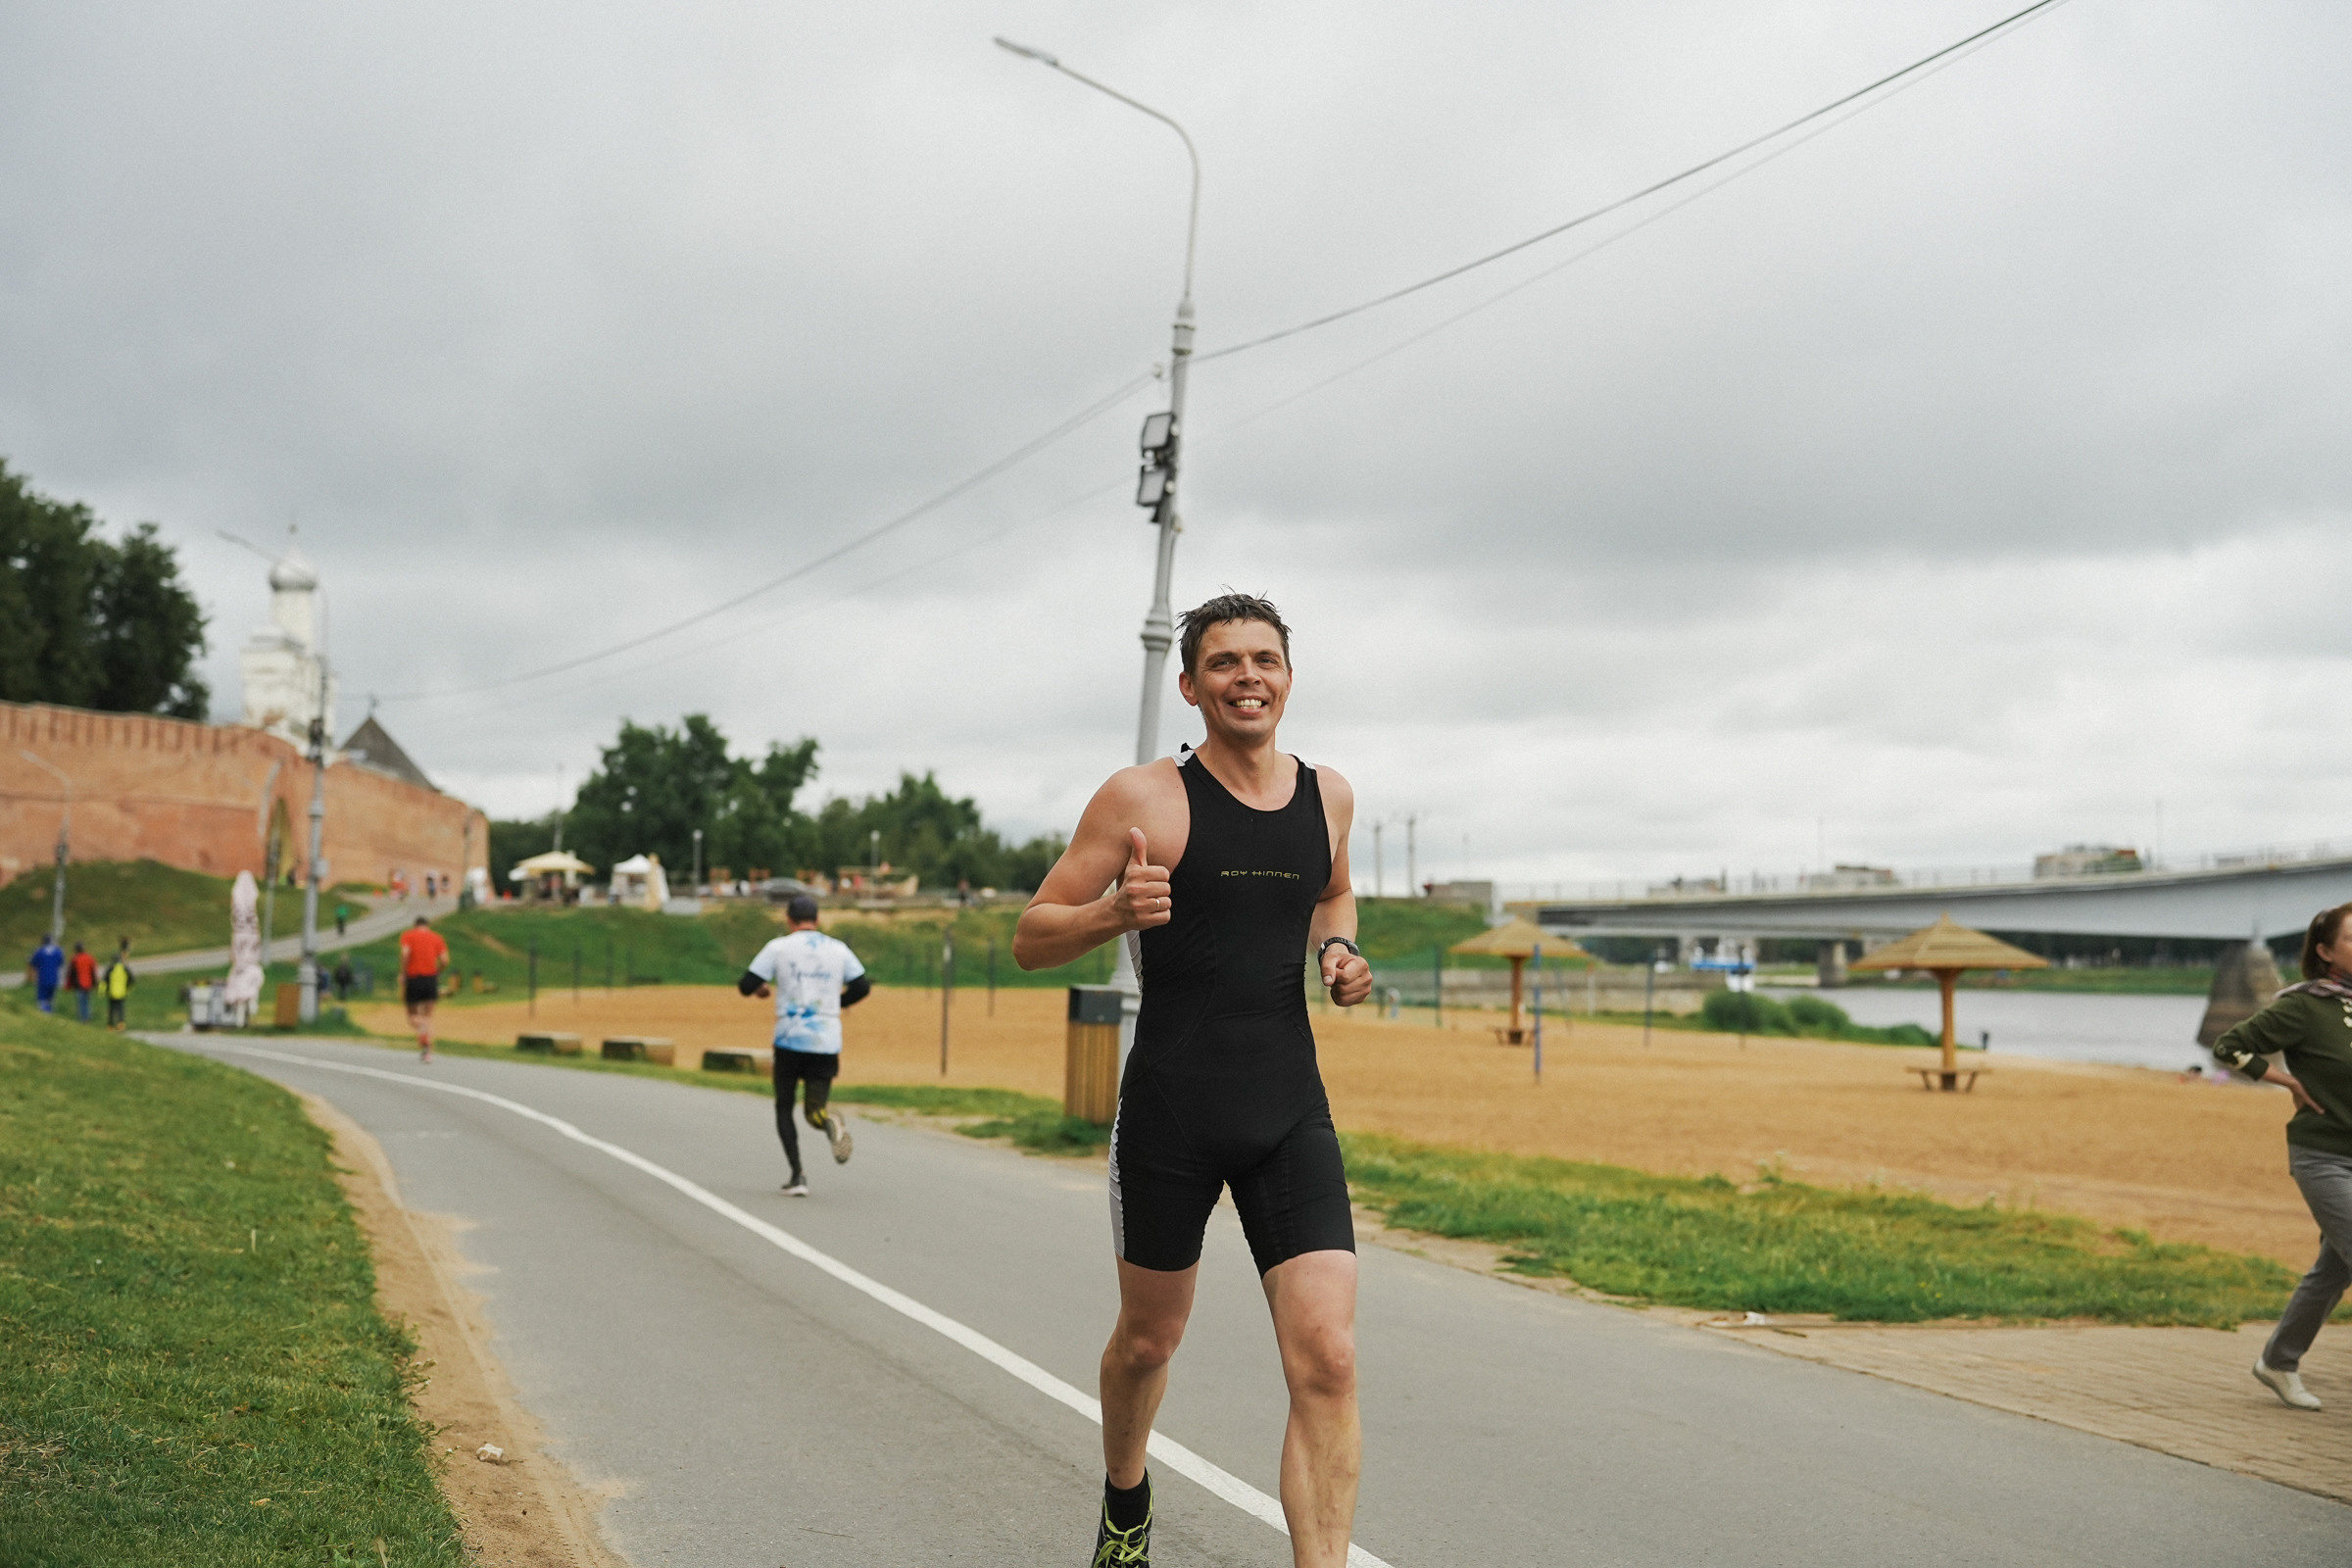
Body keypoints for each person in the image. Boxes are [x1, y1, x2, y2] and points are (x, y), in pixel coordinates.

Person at [1013, 593, 1372, 1568]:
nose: (1247, 675)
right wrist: (1112, 914)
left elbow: (1331, 886)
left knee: (1329, 1358)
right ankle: (1126, 1496)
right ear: (1191, 685)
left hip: (1289, 1110)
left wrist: (1338, 948)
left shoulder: (1328, 794)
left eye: (1264, 659)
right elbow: (1030, 934)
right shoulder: (1142, 799)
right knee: (1146, 1343)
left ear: (1288, 678)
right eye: (1224, 663)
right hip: (1172, 1111)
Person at [2216, 904, 2352, 1412]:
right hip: (2324, 1157)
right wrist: (2283, 1079)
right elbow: (2229, 1047)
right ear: (2324, 951)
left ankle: (2278, 1361)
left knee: (2332, 1272)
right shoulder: (2304, 1007)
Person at [739, 893, 867, 1195]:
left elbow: (746, 984)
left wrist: (760, 989)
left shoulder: (779, 947)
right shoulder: (838, 949)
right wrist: (837, 1002)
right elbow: (862, 986)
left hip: (789, 1039)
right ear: (818, 919)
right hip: (826, 1040)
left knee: (784, 1107)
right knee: (814, 1112)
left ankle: (798, 1175)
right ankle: (829, 1120)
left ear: (789, 920)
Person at [398, 915, 451, 1063]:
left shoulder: (408, 936)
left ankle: (422, 1032)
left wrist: (403, 972)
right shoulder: (437, 938)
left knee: (412, 1016)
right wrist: (438, 972)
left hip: (414, 977)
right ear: (428, 925)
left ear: (415, 925)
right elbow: (445, 960)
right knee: (428, 1017)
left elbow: (405, 953)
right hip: (431, 979)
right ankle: (427, 1051)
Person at [100, 941, 134, 1031]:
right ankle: (121, 1024)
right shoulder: (124, 968)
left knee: (111, 1009)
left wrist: (102, 992)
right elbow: (131, 979)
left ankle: (110, 1026)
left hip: (112, 992)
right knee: (120, 1008)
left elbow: (104, 981)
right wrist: (128, 989)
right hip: (122, 992)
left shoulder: (110, 969)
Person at [27, 933, 65, 1013]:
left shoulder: (39, 952)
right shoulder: (57, 951)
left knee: (42, 999)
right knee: (51, 999)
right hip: (54, 978)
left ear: (42, 941)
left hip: (42, 979)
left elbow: (33, 963)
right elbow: (61, 962)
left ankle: (44, 1015)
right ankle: (51, 1013)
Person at [66, 941, 96, 1022]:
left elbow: (71, 973)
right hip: (88, 983)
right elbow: (93, 972)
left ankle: (83, 1019)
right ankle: (88, 1017)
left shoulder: (75, 959)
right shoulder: (89, 958)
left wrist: (68, 986)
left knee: (81, 1003)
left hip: (79, 984)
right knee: (87, 1001)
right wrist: (95, 984)